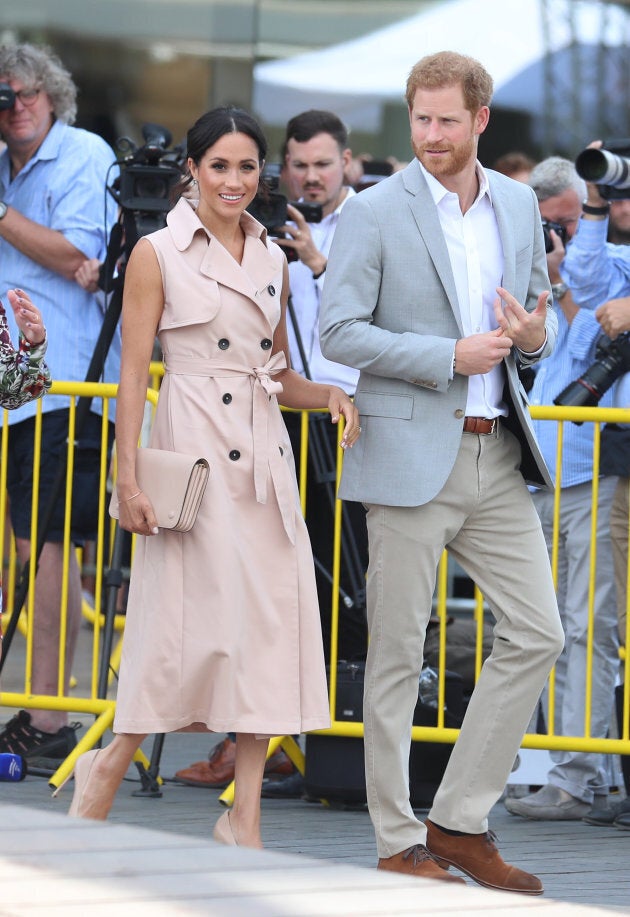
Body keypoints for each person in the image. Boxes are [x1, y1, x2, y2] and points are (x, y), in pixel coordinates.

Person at [60, 106, 360, 849]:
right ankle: (110, 760)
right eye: (219, 165)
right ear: (192, 169)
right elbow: (132, 376)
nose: (233, 180)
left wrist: (327, 393)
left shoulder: (274, 259)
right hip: (190, 455)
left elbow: (280, 372)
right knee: (176, 633)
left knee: (266, 636)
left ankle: (245, 816)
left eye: (247, 166)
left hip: (263, 462)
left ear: (264, 174)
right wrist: (125, 479)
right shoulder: (158, 253)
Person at [319, 50, 564, 893]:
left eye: (446, 120)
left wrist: (531, 338)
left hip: (498, 449)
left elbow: (537, 320)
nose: (430, 134)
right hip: (407, 452)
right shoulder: (374, 210)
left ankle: (458, 820)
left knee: (540, 631)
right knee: (394, 656)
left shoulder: (522, 203)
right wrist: (445, 356)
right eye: (419, 119)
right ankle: (396, 839)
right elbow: (337, 330)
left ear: (480, 121)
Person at [175, 110, 369, 797]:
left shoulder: (368, 222)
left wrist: (320, 262)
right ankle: (251, 738)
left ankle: (316, 738)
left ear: (348, 162)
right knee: (268, 590)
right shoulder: (252, 242)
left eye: (323, 163)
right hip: (278, 425)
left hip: (352, 420)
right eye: (299, 165)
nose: (310, 177)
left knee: (338, 588)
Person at [0, 43, 119, 770]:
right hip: (11, 386)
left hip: (62, 381)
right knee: (22, 545)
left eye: (19, 96)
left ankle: (48, 714)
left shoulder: (85, 155)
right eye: (1, 99)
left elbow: (81, 256)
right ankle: (34, 709)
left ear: (52, 96)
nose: (10, 110)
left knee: (49, 549)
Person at [503, 157, 620, 821]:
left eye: (570, 224)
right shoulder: (524, 274)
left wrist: (565, 285)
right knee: (536, 627)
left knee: (585, 625)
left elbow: (594, 342)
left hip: (590, 470)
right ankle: (554, 762)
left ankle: (580, 773)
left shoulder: (605, 267)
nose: (561, 239)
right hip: (533, 473)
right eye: (550, 227)